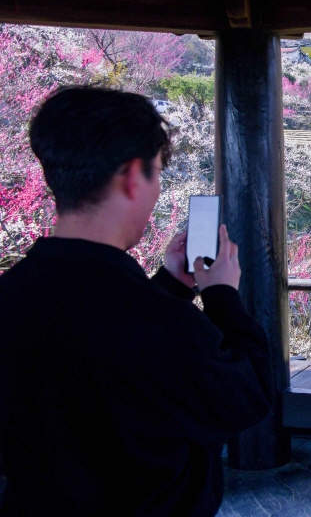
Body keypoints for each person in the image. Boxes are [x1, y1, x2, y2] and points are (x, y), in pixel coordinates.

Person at [0, 87, 272, 516]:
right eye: (157, 173)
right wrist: (221, 295)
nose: (157, 189)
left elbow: (96, 339)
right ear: (131, 176)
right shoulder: (157, 323)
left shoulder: (13, 294)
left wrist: (170, 285)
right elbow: (249, 394)